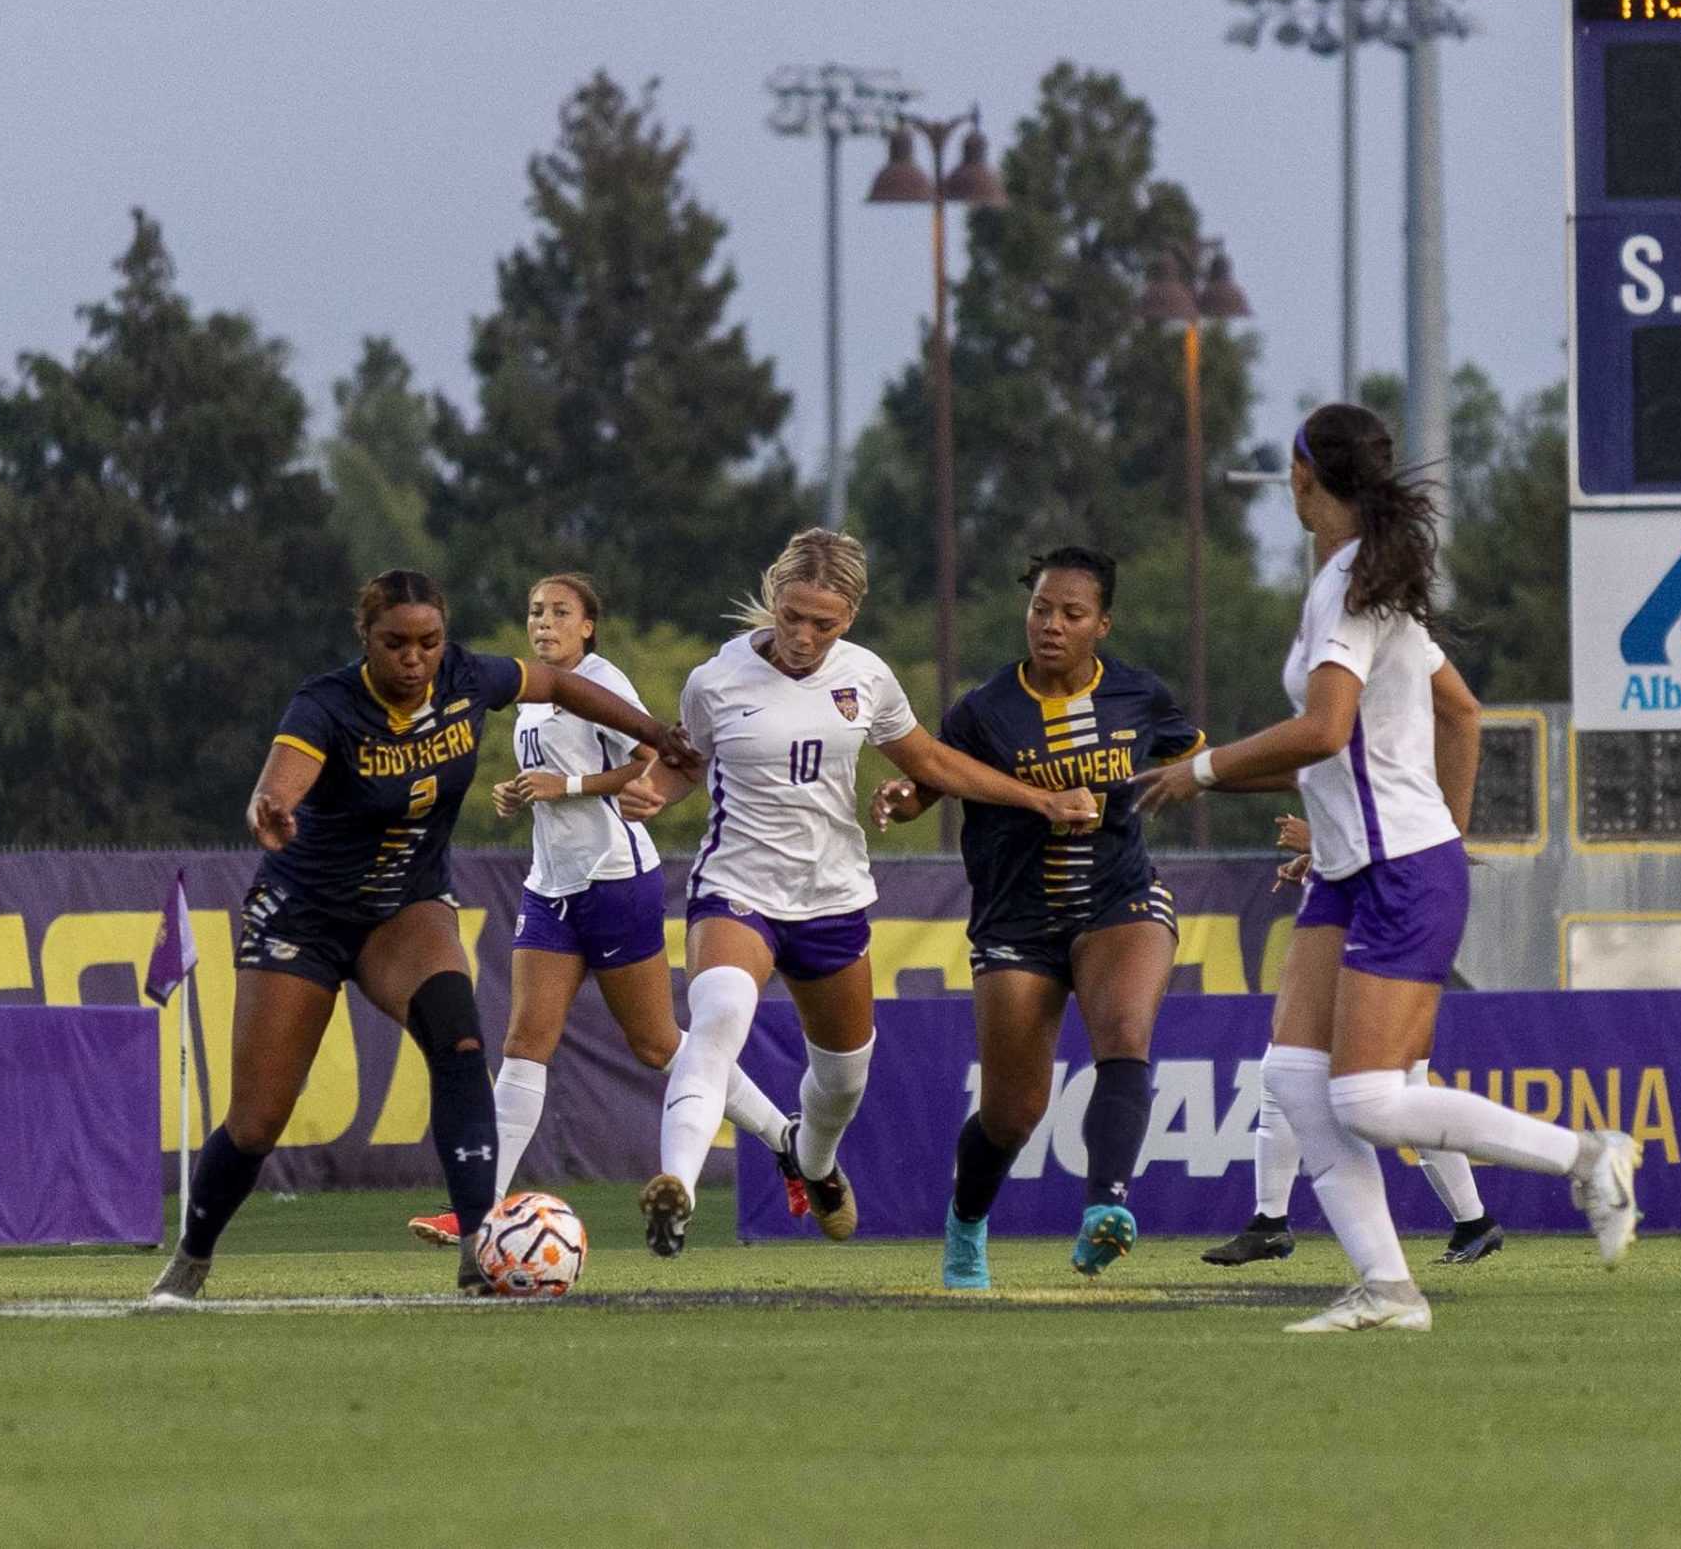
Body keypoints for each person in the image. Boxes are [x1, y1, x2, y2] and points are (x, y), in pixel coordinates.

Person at [1135, 402, 1641, 1336]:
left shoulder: (1351, 586)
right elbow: (1459, 713)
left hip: (1395, 868)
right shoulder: (1369, 579)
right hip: (1359, 869)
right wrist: (1403, 832)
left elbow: (1326, 730)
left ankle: (1590, 1155)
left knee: (1368, 1097)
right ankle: (1389, 1289)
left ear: (1302, 475)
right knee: (1293, 1081)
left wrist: (1200, 769)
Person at [148, 569, 696, 1303]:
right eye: (396, 643)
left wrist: (653, 732)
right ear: (366, 641)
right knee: (255, 1120)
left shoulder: (468, 677)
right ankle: (191, 1257)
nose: (414, 659)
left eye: (429, 642)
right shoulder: (329, 703)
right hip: (304, 913)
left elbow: (561, 687)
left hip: (405, 906)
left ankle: (479, 1244)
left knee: (461, 1041)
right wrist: (270, 807)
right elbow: (279, 783)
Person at [617, 528, 1100, 1257]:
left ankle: (810, 1160)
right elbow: (687, 762)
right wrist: (656, 788)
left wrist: (1039, 799)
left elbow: (932, 761)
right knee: (718, 1018)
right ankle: (676, 1187)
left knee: (843, 1080)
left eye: (825, 623)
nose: (805, 635)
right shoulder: (715, 679)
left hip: (831, 898)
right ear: (773, 599)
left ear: (850, 618)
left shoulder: (866, 679)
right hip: (737, 888)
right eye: (793, 617)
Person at [405, 574, 797, 1249]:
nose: (543, 622)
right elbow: (556, 783)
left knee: (659, 1045)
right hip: (549, 886)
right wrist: (523, 792)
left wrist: (570, 785)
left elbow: (652, 761)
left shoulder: (601, 679)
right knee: (525, 1045)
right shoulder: (533, 692)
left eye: (560, 612)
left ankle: (784, 1138)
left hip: (616, 880)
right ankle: (479, 1208)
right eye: (534, 611)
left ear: (588, 625)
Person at [871, 547, 1199, 1287]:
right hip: (1017, 918)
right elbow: (933, 776)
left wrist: (1231, 774)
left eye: (1071, 613)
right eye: (1040, 609)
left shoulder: (1140, 698)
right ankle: (966, 1221)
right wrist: (902, 798)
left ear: (1102, 625)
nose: (1050, 625)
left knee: (1124, 1034)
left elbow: (1193, 759)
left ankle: (1104, 1208)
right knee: (1013, 1112)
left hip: (1121, 897)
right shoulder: (987, 708)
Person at [1201, 813, 1506, 1270]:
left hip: (1391, 956)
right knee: (1281, 1073)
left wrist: (1320, 841)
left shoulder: (1391, 788)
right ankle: (1269, 1223)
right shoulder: (1377, 790)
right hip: (1376, 948)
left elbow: (1394, 859)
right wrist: (1319, 855)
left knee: (1398, 1099)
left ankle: (1482, 1216)